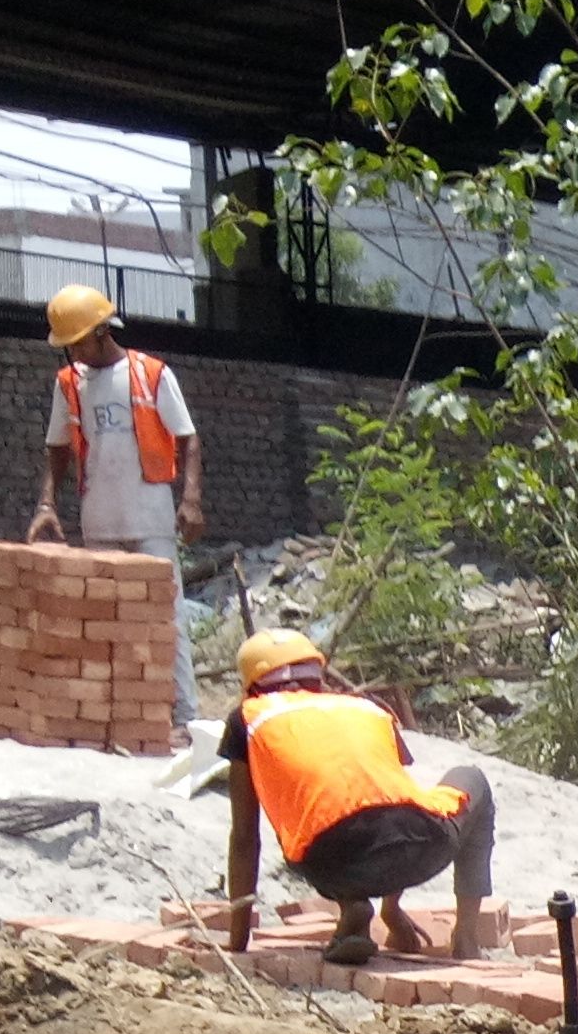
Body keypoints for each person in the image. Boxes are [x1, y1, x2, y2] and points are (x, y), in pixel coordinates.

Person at [213, 631, 502, 970]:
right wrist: (392, 912)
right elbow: (389, 795)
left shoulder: (249, 718)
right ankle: (466, 938)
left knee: (312, 809)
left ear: (252, 682)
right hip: (420, 847)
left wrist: (238, 940)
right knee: (471, 779)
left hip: (329, 863)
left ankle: (353, 907)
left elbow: (246, 838)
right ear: (317, 673)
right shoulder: (367, 708)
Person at [26, 285, 203, 737]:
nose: (73, 354)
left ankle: (183, 716)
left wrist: (191, 499)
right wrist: (47, 504)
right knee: (106, 620)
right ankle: (118, 714)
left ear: (103, 331)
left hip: (149, 515)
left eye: (78, 343)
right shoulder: (70, 384)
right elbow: (57, 449)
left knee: (167, 617)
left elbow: (188, 439)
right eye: (67, 347)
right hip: (99, 518)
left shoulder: (150, 373)